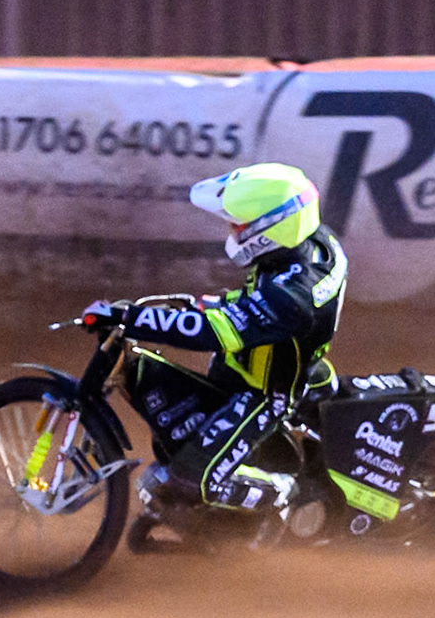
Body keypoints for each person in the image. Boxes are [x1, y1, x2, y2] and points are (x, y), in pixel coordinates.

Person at [81, 162, 347, 525]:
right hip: (249, 363)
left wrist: (133, 319)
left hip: (265, 395)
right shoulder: (305, 244)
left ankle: (289, 493)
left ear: (272, 227)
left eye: (240, 224)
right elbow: (252, 307)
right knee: (173, 432)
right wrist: (210, 305)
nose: (232, 230)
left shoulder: (293, 295)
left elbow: (212, 333)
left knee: (190, 478)